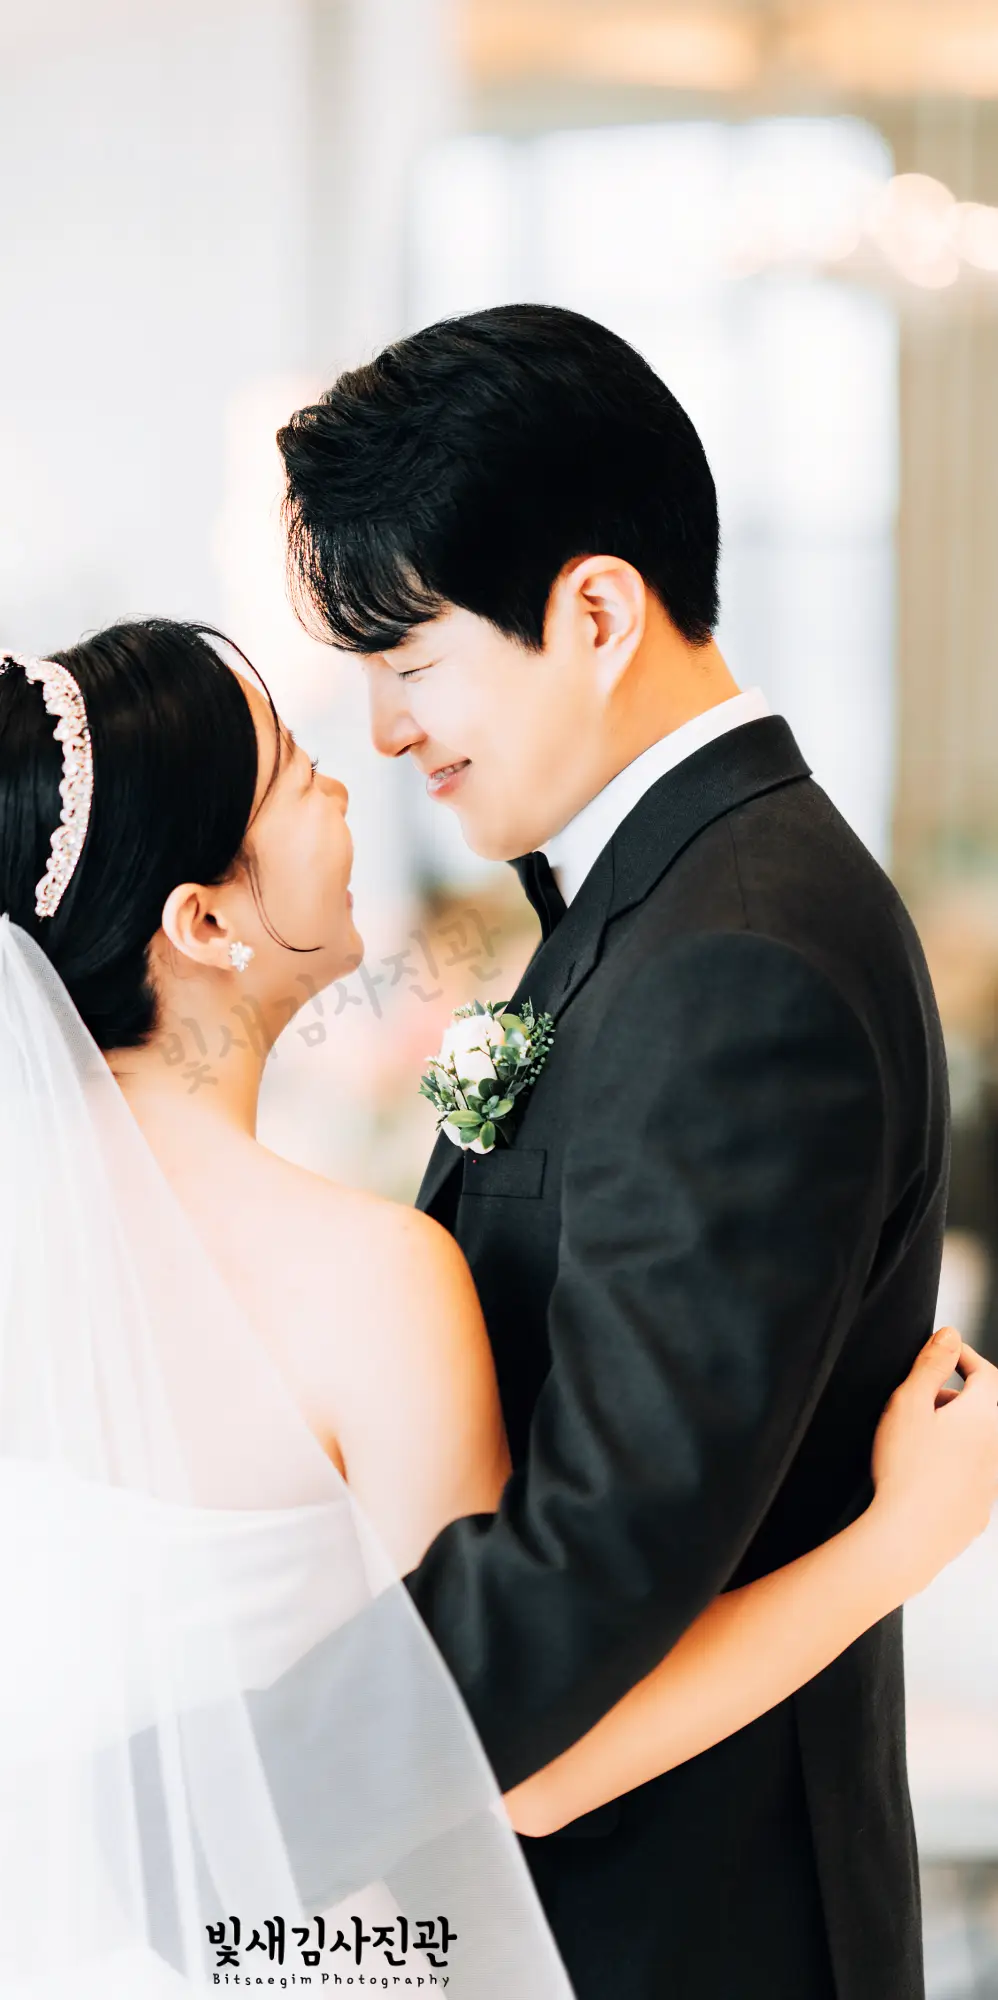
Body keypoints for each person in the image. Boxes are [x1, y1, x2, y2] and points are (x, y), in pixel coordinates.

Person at [0, 621, 993, 1998]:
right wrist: (902, 1539)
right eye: (295, 773)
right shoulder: (363, 1282)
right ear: (205, 921)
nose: (348, 779)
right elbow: (534, 1758)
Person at [276, 301, 967, 2000]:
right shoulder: (667, 900)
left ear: (593, 610)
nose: (386, 732)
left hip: (681, 1933)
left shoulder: (738, 959)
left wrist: (212, 1779)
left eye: (409, 662)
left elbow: (590, 1575)